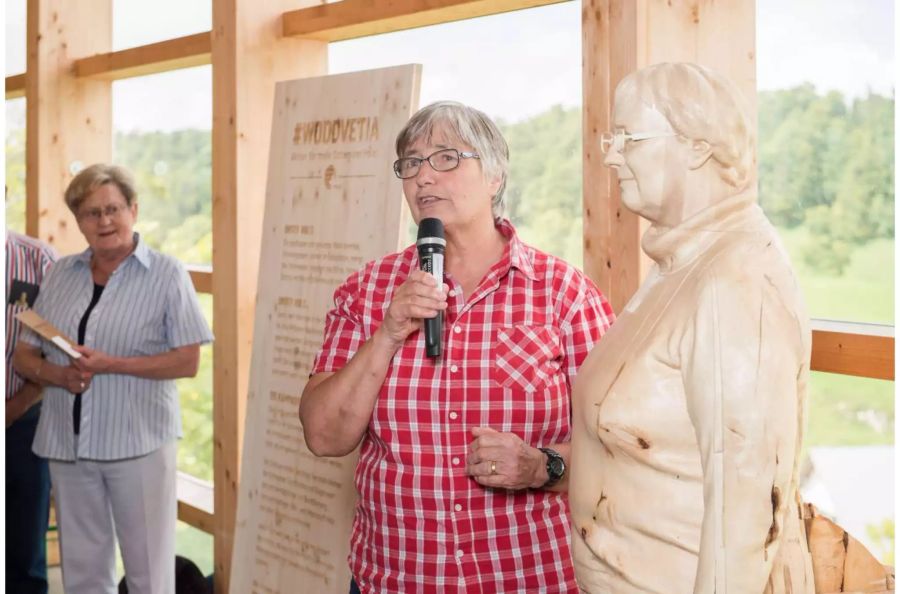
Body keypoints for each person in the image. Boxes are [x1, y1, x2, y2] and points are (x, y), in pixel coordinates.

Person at [299, 100, 614, 593]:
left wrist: (540, 466)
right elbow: (323, 436)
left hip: (529, 578)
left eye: (446, 158)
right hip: (395, 580)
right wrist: (388, 333)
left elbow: (618, 451)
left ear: (495, 176)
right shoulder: (366, 292)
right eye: (410, 164)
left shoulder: (564, 295)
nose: (423, 178)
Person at [569, 63, 814, 593]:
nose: (610, 155)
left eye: (628, 138)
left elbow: (747, 512)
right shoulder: (679, 265)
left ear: (698, 147)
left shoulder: (735, 282)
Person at [13, 163, 214, 594]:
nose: (104, 221)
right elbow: (25, 354)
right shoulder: (60, 273)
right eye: (91, 213)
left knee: (148, 575)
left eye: (113, 209)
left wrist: (112, 364)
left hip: (137, 444)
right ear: (79, 221)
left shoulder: (166, 274)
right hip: (69, 445)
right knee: (83, 574)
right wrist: (59, 376)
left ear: (133, 210)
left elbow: (187, 361)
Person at [6, 230, 57, 594]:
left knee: (25, 557)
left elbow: (59, 348)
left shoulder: (40, 261)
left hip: (25, 424)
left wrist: (14, 408)